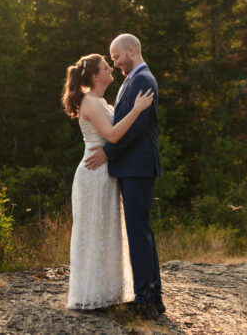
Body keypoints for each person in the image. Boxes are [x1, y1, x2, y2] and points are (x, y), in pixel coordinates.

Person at [63, 52, 154, 310]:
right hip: (93, 173)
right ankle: (91, 293)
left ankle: (107, 291)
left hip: (104, 171)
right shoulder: (91, 102)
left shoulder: (99, 100)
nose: (110, 69)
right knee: (94, 229)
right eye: (105, 67)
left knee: (106, 229)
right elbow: (113, 135)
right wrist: (137, 110)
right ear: (95, 76)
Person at [83, 33, 164, 319]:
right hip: (132, 167)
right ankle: (151, 296)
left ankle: (147, 298)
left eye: (117, 56)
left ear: (132, 50)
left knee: (139, 232)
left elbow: (137, 128)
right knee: (140, 232)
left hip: (138, 167)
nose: (115, 62)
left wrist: (108, 153)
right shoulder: (132, 80)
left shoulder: (143, 80)